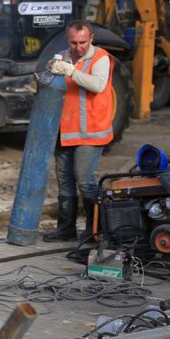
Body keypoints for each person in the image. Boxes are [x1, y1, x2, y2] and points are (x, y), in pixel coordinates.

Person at [43, 20, 114, 242]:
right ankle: (66, 229)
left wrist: (71, 71)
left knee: (84, 180)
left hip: (91, 132)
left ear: (91, 38)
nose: (78, 47)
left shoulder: (101, 58)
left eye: (83, 42)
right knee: (64, 180)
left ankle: (95, 231)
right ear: (68, 39)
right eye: (73, 42)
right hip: (65, 131)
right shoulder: (62, 57)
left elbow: (98, 85)